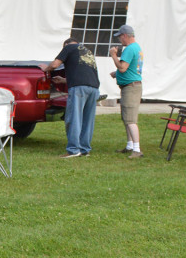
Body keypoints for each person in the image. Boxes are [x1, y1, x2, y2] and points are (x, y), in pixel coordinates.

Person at [47, 37, 100, 158]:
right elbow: (82, 72)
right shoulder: (87, 51)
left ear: (66, 45)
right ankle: (85, 149)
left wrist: (45, 68)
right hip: (94, 88)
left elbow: (55, 64)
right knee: (88, 120)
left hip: (78, 88)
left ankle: (73, 150)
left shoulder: (68, 47)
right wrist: (63, 80)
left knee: (74, 118)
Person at [108, 24, 144, 158]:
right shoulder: (137, 48)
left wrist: (113, 55)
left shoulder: (129, 49)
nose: (119, 40)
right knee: (126, 118)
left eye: (120, 37)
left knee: (130, 119)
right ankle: (130, 146)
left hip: (131, 88)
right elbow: (130, 68)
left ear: (125, 36)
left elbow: (123, 67)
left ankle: (137, 149)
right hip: (132, 86)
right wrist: (117, 73)